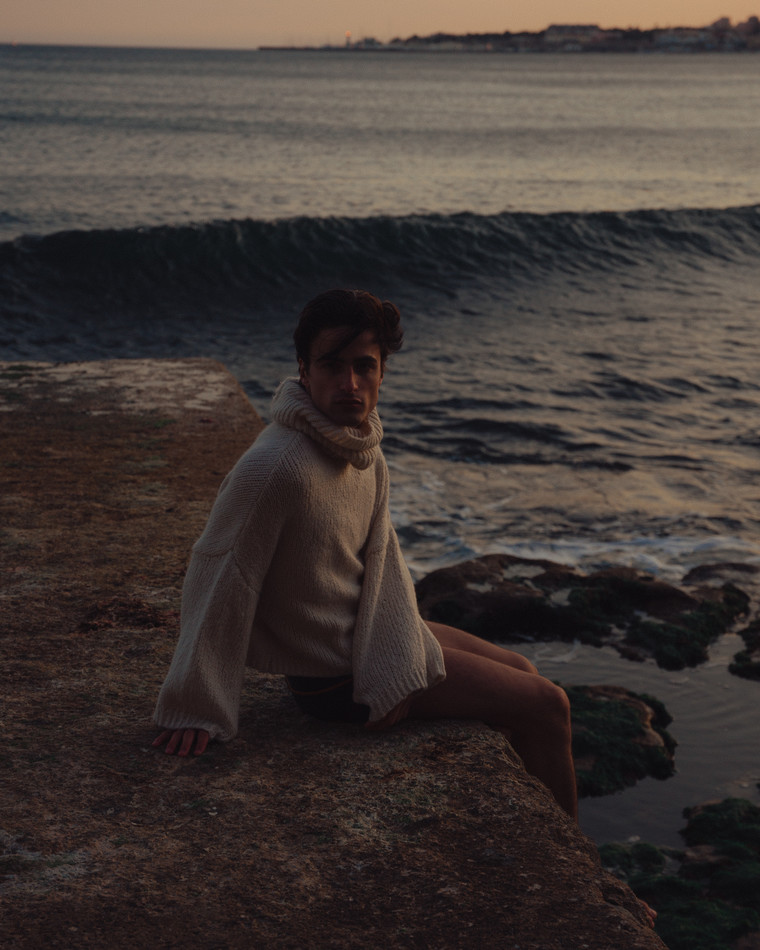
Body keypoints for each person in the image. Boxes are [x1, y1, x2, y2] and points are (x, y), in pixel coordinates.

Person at [153, 288, 578, 821]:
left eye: (364, 366)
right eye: (332, 365)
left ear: (382, 372)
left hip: (370, 636)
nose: (350, 383)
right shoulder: (275, 468)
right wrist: (195, 704)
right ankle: (583, 865)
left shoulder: (361, 446)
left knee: (522, 668)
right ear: (304, 370)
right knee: (549, 705)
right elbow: (221, 572)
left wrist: (396, 655)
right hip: (335, 677)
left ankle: (527, 827)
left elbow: (383, 555)